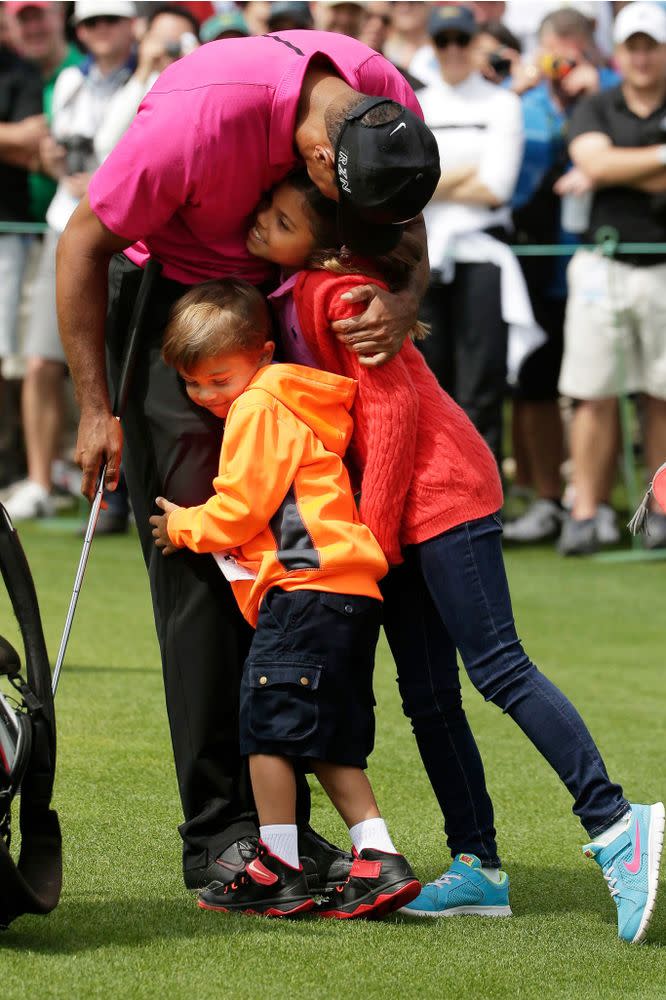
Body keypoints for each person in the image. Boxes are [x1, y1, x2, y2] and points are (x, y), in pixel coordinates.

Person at [55, 29, 439, 892]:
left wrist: (402, 293)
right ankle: (222, 833)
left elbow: (406, 229)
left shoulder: (385, 104)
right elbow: (81, 245)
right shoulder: (195, 120)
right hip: (179, 311)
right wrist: (93, 408)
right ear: (312, 155)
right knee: (202, 555)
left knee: (291, 567)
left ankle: (289, 838)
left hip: (289, 306)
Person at [241, 167, 664, 942]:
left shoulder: (331, 292)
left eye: (281, 215)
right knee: (429, 698)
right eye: (261, 210)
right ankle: (479, 870)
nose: (261, 221)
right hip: (400, 516)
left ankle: (617, 825)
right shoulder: (297, 287)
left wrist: (364, 541)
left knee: (499, 668)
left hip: (441, 498)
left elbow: (395, 411)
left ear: (331, 244)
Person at [149, 278, 420, 919]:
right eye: (193, 384)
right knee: (325, 737)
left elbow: (241, 512)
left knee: (265, 733)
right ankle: (377, 856)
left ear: (262, 354)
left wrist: (181, 526)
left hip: (305, 589)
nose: (208, 396)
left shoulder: (258, 407)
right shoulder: (298, 401)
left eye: (220, 378)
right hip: (350, 590)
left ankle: (278, 865)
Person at [5, 0, 137, 524]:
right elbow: (54, 148)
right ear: (79, 29)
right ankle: (44, 482)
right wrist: (56, 161)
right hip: (67, 228)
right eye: (92, 23)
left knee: (117, 368)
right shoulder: (67, 83)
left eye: (110, 20)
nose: (101, 31)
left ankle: (120, 492)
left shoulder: (149, 78)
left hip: (124, 234)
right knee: (41, 362)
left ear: (130, 25)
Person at [504, 6, 621, 547]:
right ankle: (550, 497)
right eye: (558, 46)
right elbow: (515, 179)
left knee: (601, 387)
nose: (566, 58)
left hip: (601, 258)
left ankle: (593, 499)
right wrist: (518, 92)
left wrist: (593, 97)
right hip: (535, 259)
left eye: (576, 44)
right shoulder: (521, 102)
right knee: (537, 381)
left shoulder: (614, 93)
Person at [561, 1, 666, 554]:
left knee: (662, 394)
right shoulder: (597, 104)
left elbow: (602, 167)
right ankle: (585, 512)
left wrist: (620, 165)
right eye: (633, 46)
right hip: (604, 263)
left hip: (663, 266)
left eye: (652, 45)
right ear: (619, 53)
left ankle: (662, 510)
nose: (642, 56)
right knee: (592, 392)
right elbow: (593, 163)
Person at [417, 4, 528, 467]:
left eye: (461, 39)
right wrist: (463, 175)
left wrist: (430, 180)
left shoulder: (502, 102)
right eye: (444, 41)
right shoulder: (416, 101)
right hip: (425, 257)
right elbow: (404, 189)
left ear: (475, 42)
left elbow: (497, 187)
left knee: (480, 386)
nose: (453, 50)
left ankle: (484, 503)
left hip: (481, 256)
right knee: (430, 383)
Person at [0, 28, 45, 488]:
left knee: (5, 355)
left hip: (8, 233)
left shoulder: (19, 70)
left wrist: (16, 139)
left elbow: (33, 139)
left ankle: (8, 465)